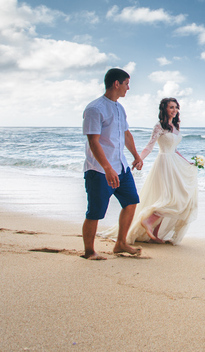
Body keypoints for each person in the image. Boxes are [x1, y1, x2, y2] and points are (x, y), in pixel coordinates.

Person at [100, 97, 198, 245]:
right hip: (164, 163)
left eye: (176, 107)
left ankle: (156, 234)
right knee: (169, 198)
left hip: (174, 163)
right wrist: (139, 158)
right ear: (164, 109)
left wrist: (187, 162)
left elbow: (175, 150)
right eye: (171, 107)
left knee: (177, 196)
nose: (174, 110)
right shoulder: (159, 126)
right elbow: (149, 146)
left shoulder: (175, 126)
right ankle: (148, 220)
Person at [81, 68, 143, 260]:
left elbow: (125, 134)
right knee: (95, 212)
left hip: (121, 167)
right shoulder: (95, 109)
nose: (128, 88)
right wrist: (107, 168)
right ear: (117, 83)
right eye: (126, 83)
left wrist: (136, 155)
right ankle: (89, 252)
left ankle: (121, 243)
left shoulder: (119, 107)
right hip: (99, 170)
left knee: (131, 201)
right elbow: (94, 141)